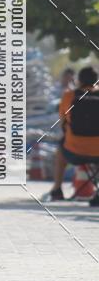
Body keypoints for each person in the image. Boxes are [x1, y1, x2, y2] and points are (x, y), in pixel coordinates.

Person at [48, 66, 99, 202]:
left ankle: (57, 189)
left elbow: (63, 122)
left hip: (74, 151)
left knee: (60, 148)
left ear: (79, 81)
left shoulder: (69, 96)